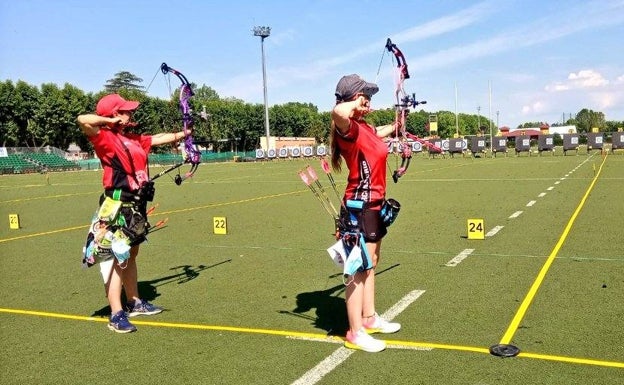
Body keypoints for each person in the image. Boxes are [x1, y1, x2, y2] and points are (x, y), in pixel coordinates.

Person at [77, 93, 191, 333]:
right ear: (114, 115)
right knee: (118, 257)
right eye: (125, 111)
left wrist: (184, 134)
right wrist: (108, 122)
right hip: (118, 206)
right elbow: (82, 120)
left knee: (132, 254)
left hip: (136, 205)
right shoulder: (105, 138)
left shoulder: (134, 139)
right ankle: (116, 313)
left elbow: (158, 138)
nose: (131, 114)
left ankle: (134, 301)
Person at [330, 74, 401, 352]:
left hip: (375, 203)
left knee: (371, 261)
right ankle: (355, 332)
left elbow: (380, 133)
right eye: (364, 95)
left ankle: (369, 318)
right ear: (351, 97)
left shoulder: (364, 128)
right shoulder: (346, 127)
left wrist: (398, 123)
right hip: (358, 206)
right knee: (356, 268)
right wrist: (355, 105)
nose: (368, 100)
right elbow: (337, 111)